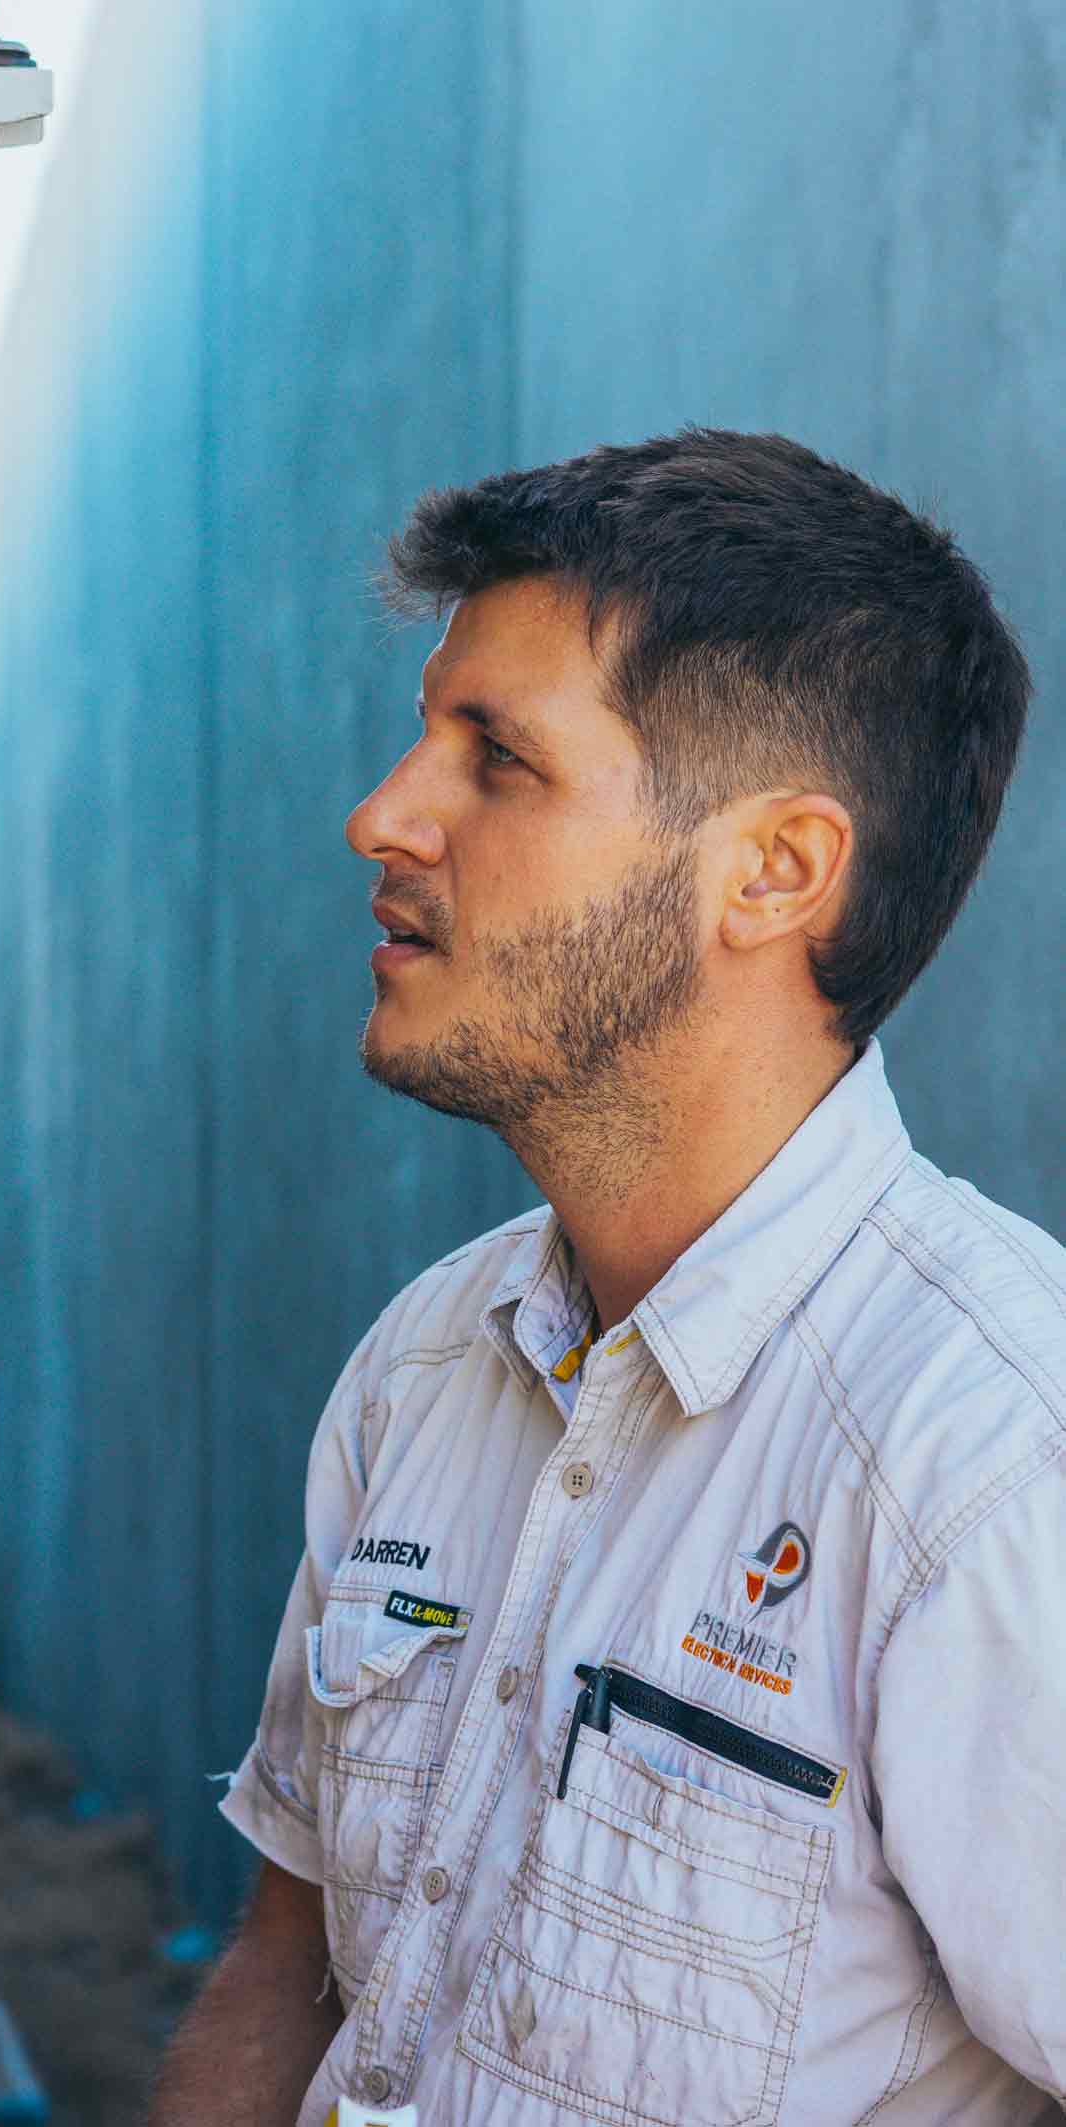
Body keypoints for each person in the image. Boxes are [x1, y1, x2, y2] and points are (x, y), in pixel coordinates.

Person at [146, 429, 1061, 2126]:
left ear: (771, 871)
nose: (381, 813)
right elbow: (290, 1964)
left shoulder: (990, 1471)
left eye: (494, 758)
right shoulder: (426, 1361)